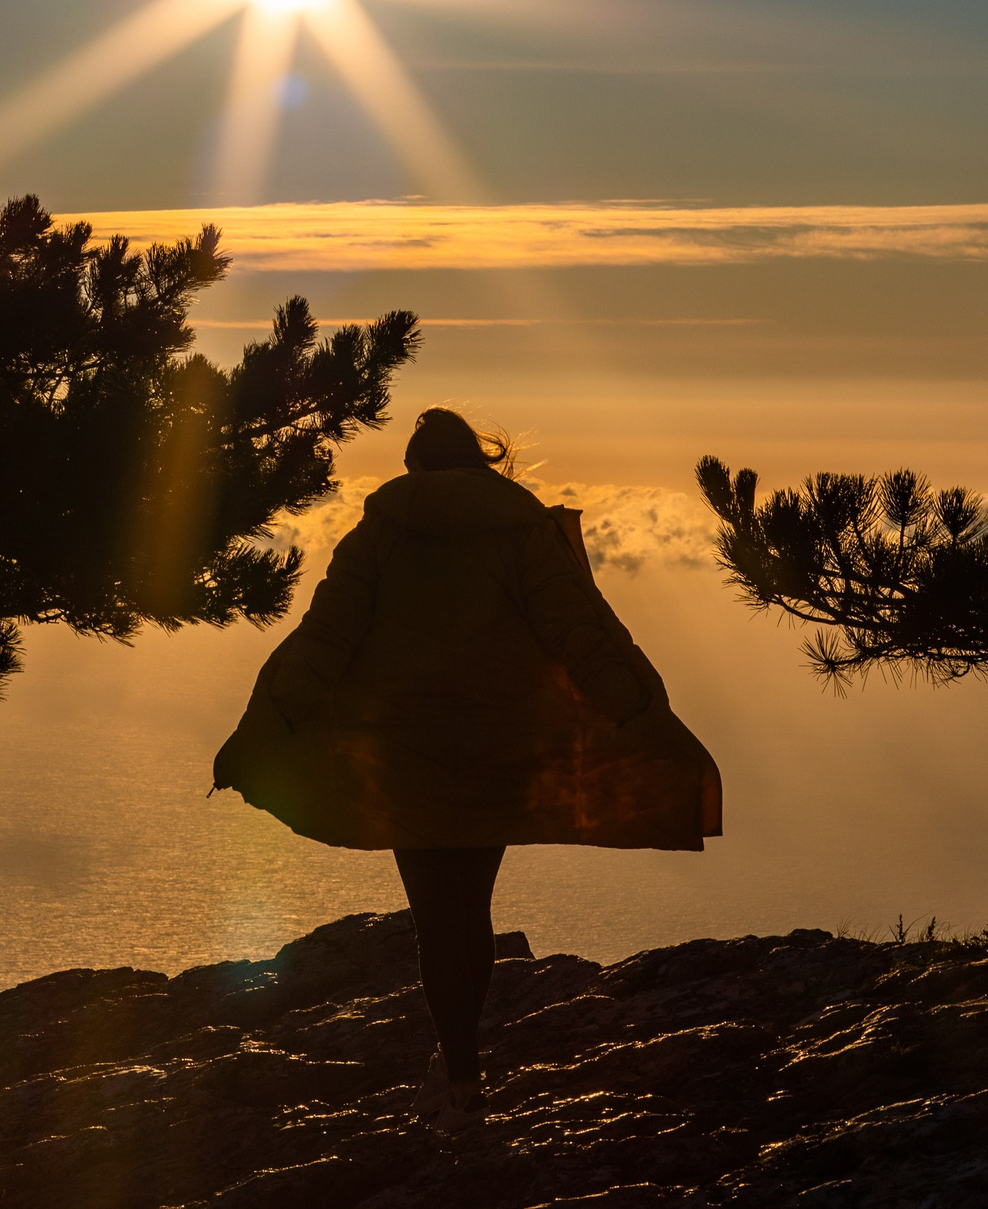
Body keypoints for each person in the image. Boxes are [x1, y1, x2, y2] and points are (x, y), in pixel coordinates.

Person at [212, 408, 723, 1130]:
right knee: (471, 908)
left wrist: (265, 728)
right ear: (481, 462)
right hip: (496, 757)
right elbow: (581, 637)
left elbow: (326, 639)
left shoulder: (379, 532)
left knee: (435, 917)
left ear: (415, 464)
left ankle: (455, 1071)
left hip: (405, 757)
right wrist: (644, 719)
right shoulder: (524, 532)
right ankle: (460, 1071)